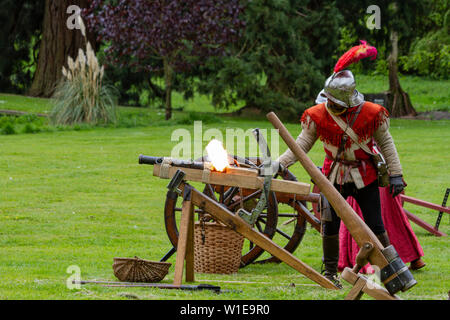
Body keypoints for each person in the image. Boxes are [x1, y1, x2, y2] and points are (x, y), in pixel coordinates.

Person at [276, 41, 407, 288]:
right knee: (330, 225)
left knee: (375, 226)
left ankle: (386, 275)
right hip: (332, 177)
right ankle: (329, 274)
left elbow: (387, 145)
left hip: (365, 175)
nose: (330, 104)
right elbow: (301, 145)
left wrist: (397, 175)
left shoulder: (371, 113)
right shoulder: (317, 115)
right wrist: (278, 164)